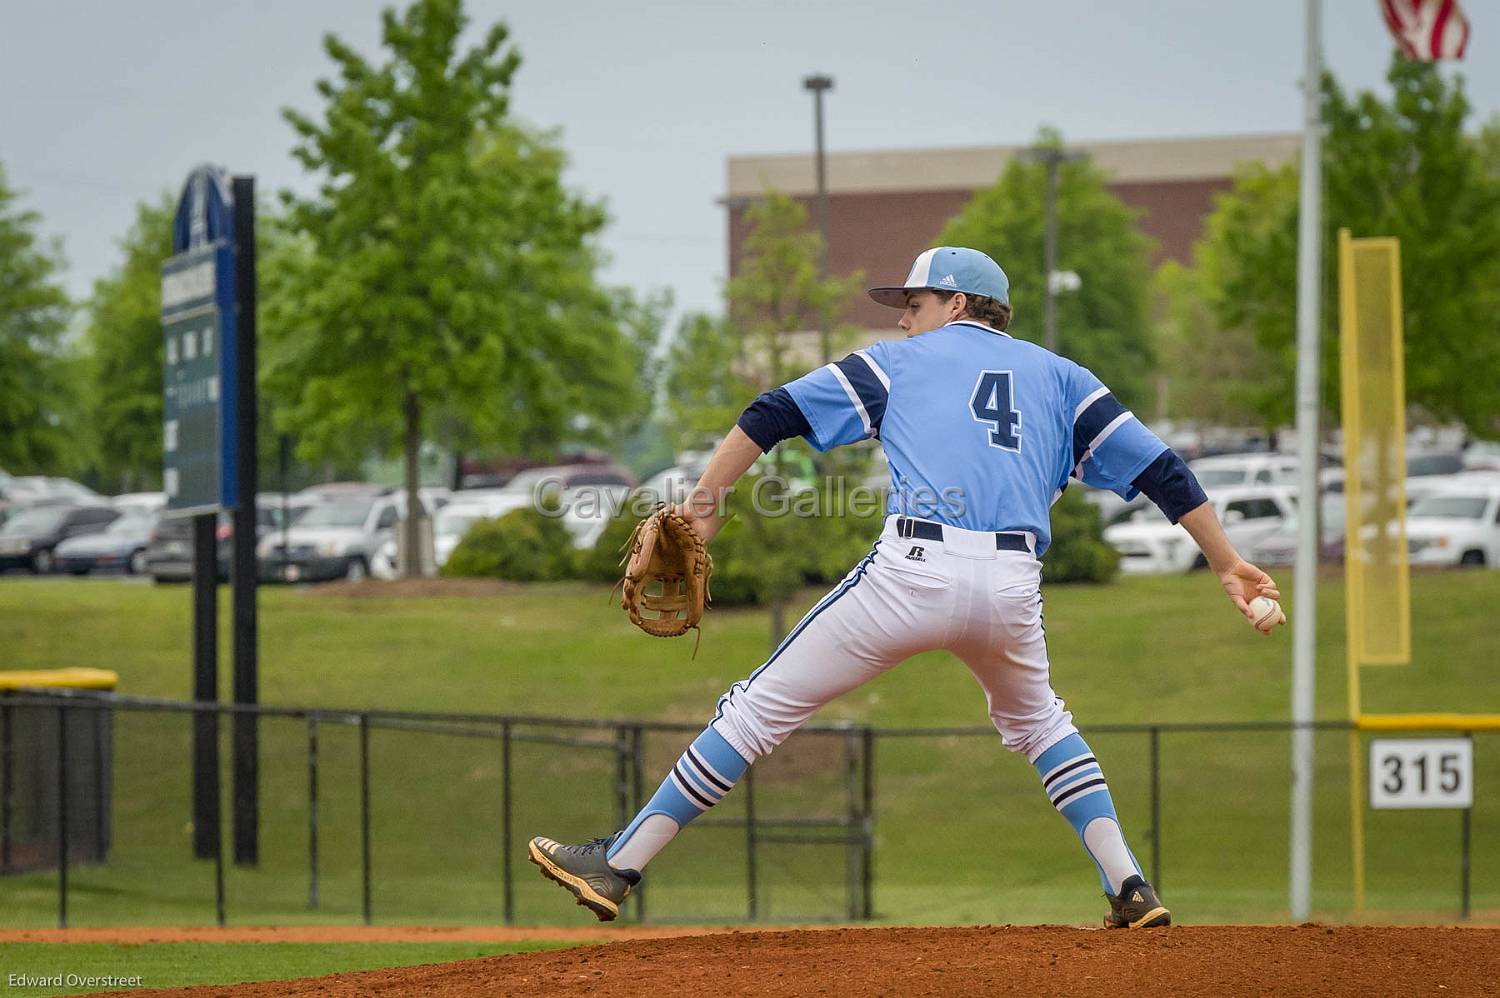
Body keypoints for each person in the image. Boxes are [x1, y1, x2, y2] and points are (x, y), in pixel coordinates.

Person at [530, 246, 1281, 928]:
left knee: (757, 709)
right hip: (1014, 585)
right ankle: (1129, 886)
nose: (903, 315)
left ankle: (619, 865)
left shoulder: (900, 363)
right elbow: (1164, 472)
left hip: (914, 575)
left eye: (914, 302)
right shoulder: (1063, 379)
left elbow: (771, 413)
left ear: (957, 304)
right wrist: (1225, 563)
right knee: (1042, 724)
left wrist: (701, 510)